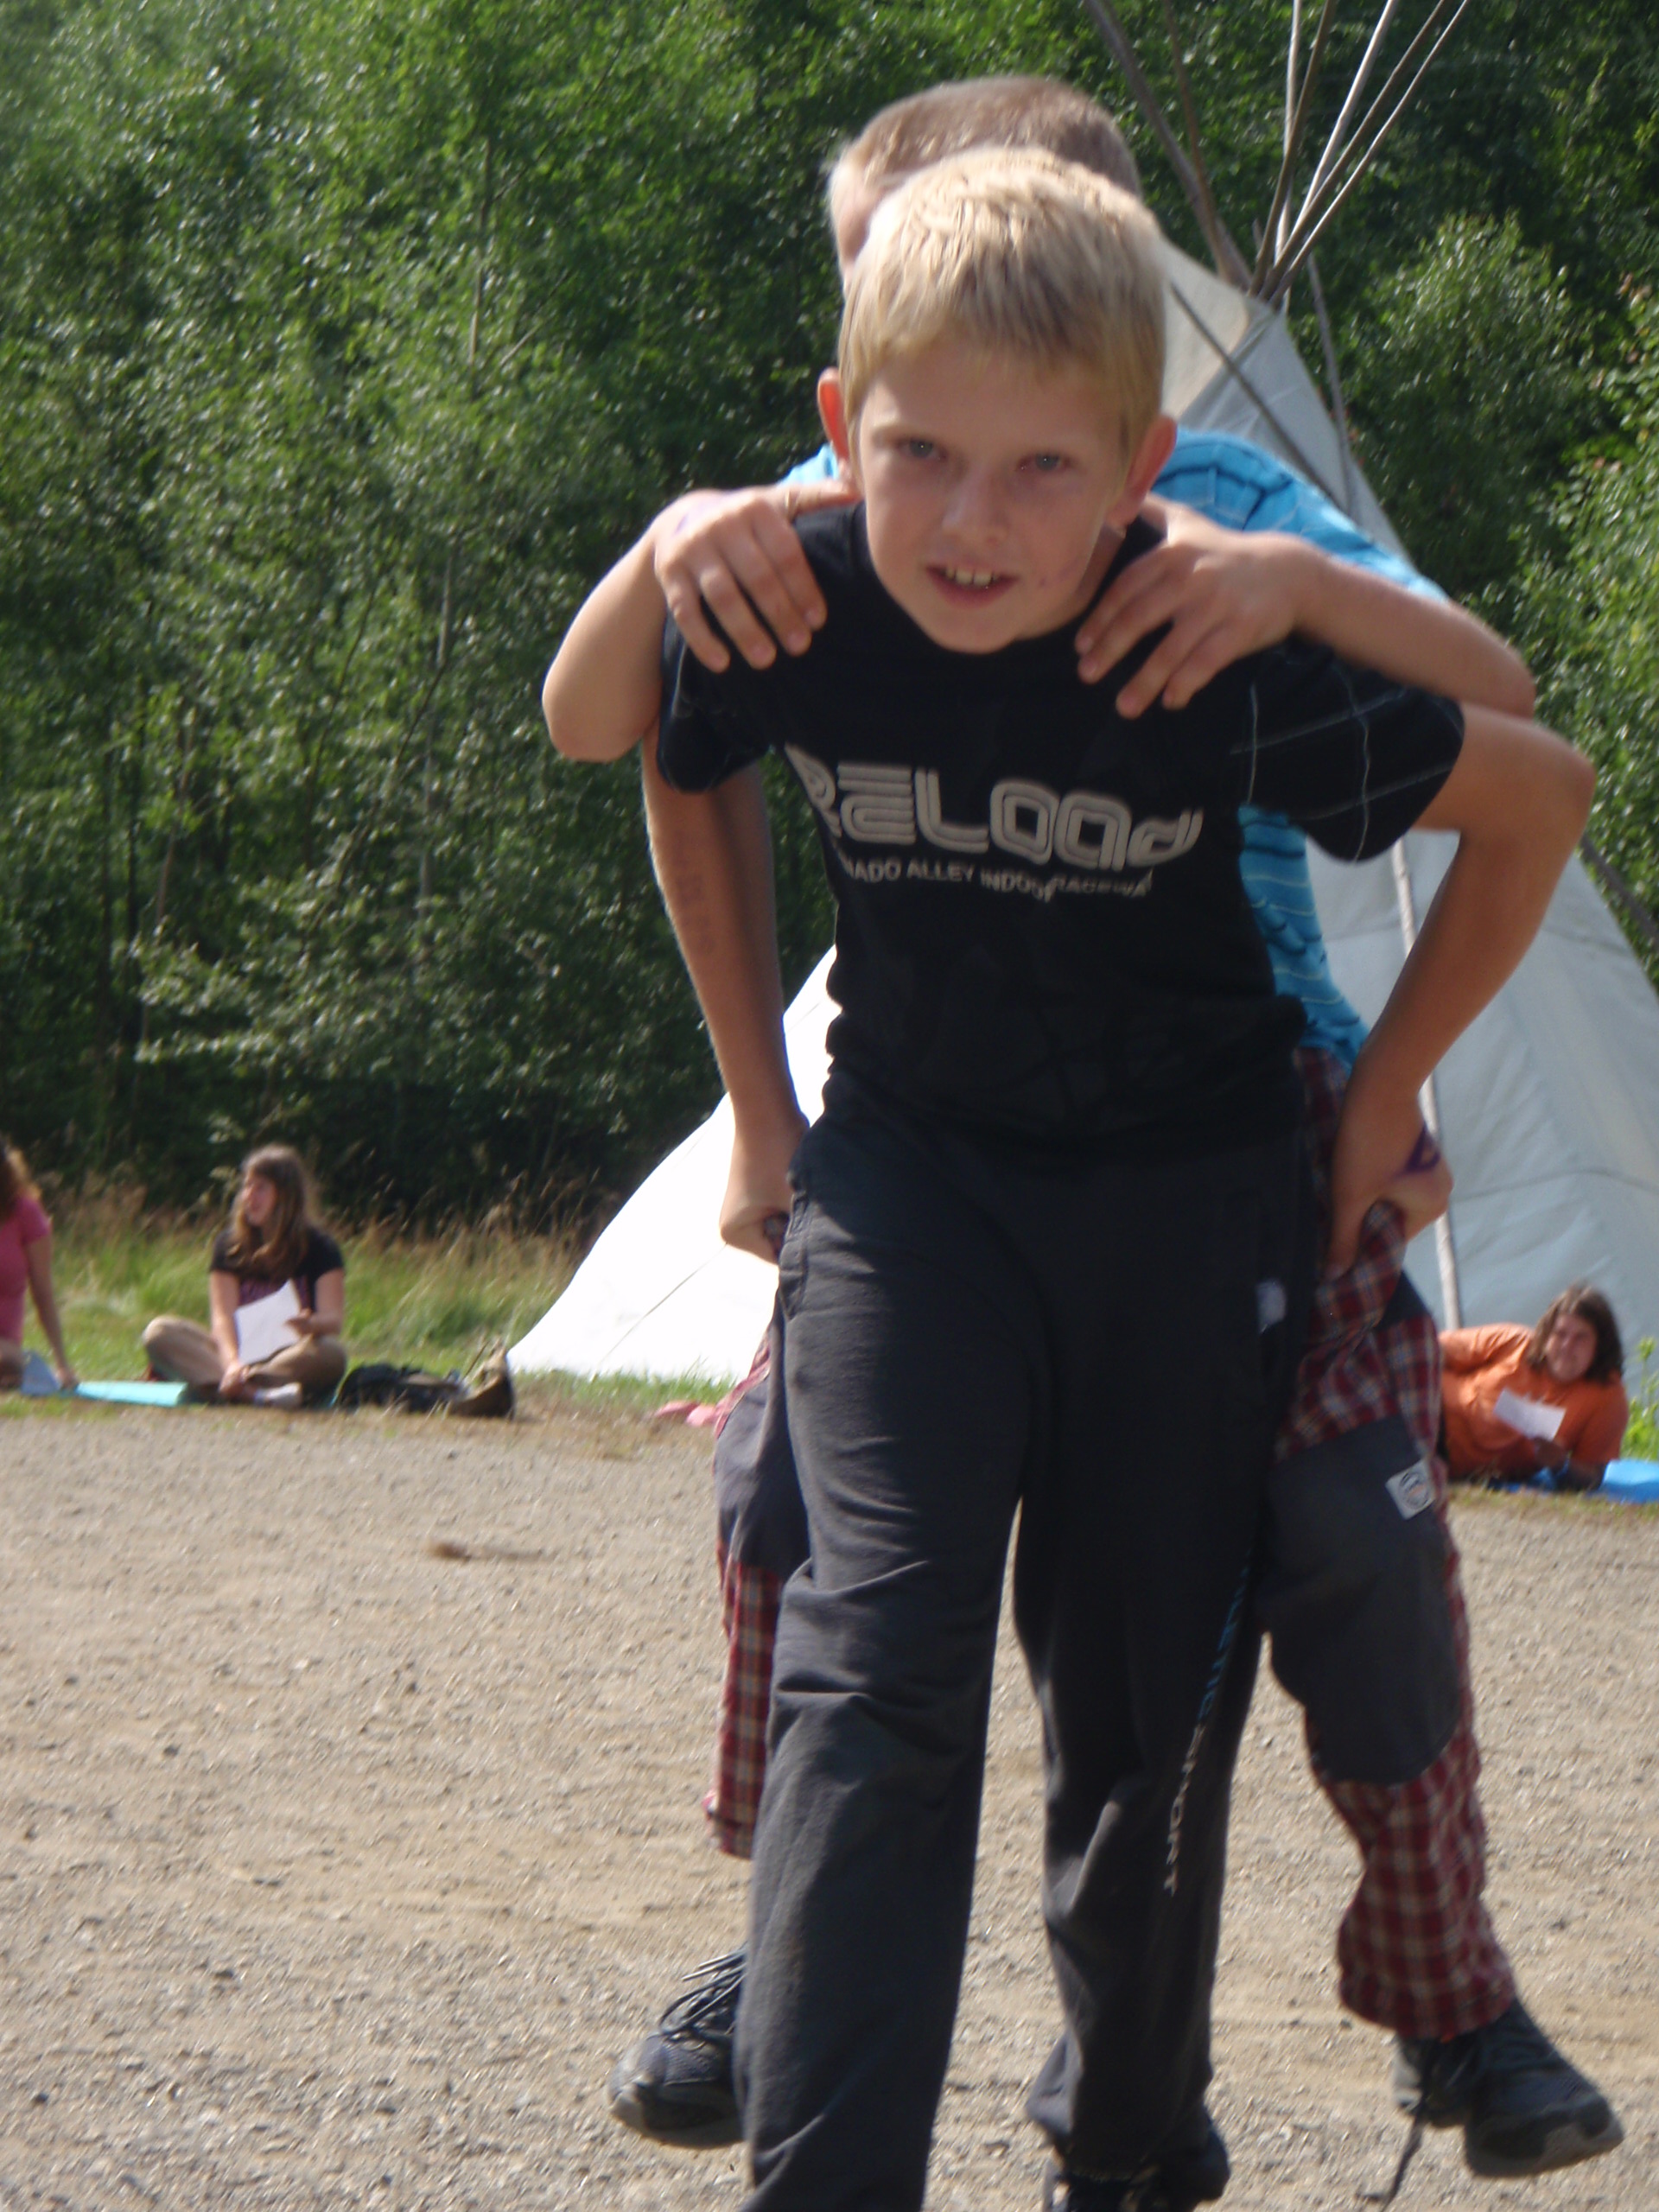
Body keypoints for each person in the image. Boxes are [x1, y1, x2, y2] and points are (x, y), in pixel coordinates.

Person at [578, 76, 1620, 2190]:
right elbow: (632, 728)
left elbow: (1523, 751)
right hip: (920, 1162)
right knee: (849, 1621)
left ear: (1134, 436)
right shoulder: (816, 555)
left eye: (1040, 459)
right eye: (915, 443)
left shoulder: (1205, 584)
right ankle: (798, 2024)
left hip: (1218, 1154)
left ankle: (1350, 2036)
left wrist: (1382, 1094)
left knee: (1238, 1640)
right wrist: (761, 1108)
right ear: (852, 395)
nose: (970, 515)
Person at [143, 1145, 347, 1404]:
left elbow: (333, 1320)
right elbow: (223, 1319)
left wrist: (311, 1324)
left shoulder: (321, 1248)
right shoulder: (229, 1246)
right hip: (234, 1354)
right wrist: (232, 1364)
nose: (249, 1196)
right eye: (247, 1186)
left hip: (289, 1357)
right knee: (159, 1332)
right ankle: (253, 1394)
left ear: (286, 1196)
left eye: (260, 1188)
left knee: (332, 1354)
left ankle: (230, 1388)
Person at [1441, 1285, 1629, 1490]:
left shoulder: (1606, 1395)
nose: (1566, 1346)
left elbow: (1593, 1477)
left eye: (1580, 1338)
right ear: (1547, 1334)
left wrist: (1561, 1465)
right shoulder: (1515, 1342)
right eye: (1560, 1334)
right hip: (1428, 1416)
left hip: (1454, 1464)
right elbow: (1430, 1347)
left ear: (1600, 1346)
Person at [0, 1141, 78, 1392]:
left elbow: (43, 1293)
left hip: (4, 1347)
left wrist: (62, 1363)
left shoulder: (25, 1213)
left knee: (7, 1364)